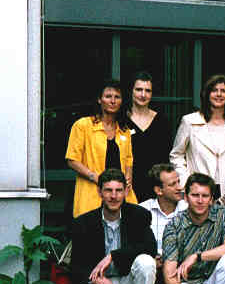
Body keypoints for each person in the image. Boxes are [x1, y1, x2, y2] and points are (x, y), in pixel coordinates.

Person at [70, 169, 157, 284]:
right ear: (99, 192)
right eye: (108, 190)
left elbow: (150, 248)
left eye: (118, 190)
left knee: (146, 262)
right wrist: (98, 280)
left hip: (129, 282)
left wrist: (113, 256)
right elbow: (76, 266)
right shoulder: (83, 223)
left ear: (126, 191)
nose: (114, 196)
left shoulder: (139, 215)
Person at [67, 80, 139, 217]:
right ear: (99, 99)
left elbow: (129, 159)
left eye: (117, 97)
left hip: (120, 194)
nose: (113, 101)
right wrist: (95, 177)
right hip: (91, 191)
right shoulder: (83, 125)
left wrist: (128, 176)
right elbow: (72, 160)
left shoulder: (124, 130)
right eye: (108, 96)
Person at [171, 75, 225, 199]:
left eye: (223, 91)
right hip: (198, 191)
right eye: (214, 90)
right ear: (207, 94)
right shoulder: (190, 121)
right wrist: (187, 181)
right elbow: (176, 155)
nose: (219, 94)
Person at [123, 72, 172, 202]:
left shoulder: (162, 121)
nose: (143, 95)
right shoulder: (121, 120)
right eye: (139, 90)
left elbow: (167, 157)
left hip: (156, 187)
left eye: (148, 91)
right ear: (131, 91)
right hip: (128, 185)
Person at [140, 163, 188, 253]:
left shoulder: (188, 209)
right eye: (172, 184)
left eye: (178, 182)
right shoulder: (142, 210)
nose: (179, 187)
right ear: (159, 190)